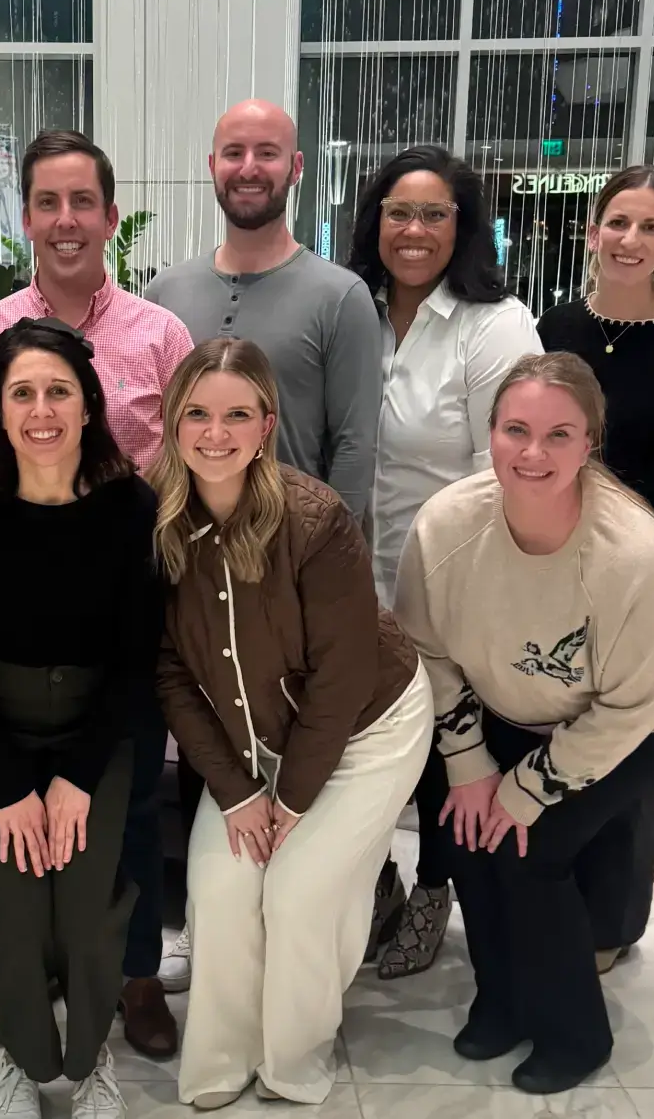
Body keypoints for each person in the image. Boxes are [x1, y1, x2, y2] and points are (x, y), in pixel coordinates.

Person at [394, 353, 654, 1095]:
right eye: (515, 430)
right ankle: (501, 1004)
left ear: (589, 444)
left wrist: (526, 792)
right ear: (491, 434)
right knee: (468, 836)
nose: (533, 454)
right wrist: (472, 767)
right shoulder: (445, 526)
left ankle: (574, 1034)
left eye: (558, 435)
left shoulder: (638, 556)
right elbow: (430, 651)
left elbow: (629, 708)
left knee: (529, 848)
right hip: (514, 701)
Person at [0, 128, 190, 1057]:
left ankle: (133, 981)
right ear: (25, 220)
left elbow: (181, 468)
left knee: (122, 826)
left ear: (109, 217)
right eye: (46, 203)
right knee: (13, 837)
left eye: (81, 202)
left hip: (124, 599)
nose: (64, 220)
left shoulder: (159, 335)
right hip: (14, 603)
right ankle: (28, 977)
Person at [150, 338, 432, 1109]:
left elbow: (341, 682)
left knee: (301, 890)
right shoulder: (158, 523)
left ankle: (295, 1059)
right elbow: (169, 672)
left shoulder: (316, 520)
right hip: (250, 741)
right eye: (198, 413)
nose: (216, 432)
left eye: (237, 413)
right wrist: (241, 794)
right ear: (173, 422)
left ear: (267, 424)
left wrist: (293, 801)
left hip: (367, 733)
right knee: (221, 883)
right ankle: (222, 1059)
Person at [0, 317, 161, 1119]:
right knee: (17, 904)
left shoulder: (131, 507)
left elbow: (138, 660)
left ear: (89, 402)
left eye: (58, 391)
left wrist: (73, 776)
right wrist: (11, 786)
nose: (41, 410)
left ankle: (90, 1056)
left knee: (90, 908)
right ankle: (31, 1066)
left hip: (98, 733)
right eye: (21, 392)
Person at [344, 144, 542, 980]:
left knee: (441, 749)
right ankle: (378, 881)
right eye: (398, 212)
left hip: (452, 583)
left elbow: (510, 467)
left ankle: (435, 888)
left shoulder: (494, 324)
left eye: (434, 213)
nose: (414, 230)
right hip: (353, 579)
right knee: (362, 748)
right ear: (373, 222)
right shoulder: (351, 307)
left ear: (462, 227)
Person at [537, 164, 654, 971]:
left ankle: (610, 923)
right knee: (558, 724)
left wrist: (608, 539)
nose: (630, 240)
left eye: (650, 227)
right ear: (591, 232)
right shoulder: (557, 326)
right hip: (553, 560)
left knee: (636, 737)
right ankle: (545, 903)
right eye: (617, 222)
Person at [144, 98, 381, 519]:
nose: (248, 168)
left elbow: (354, 445)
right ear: (213, 165)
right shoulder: (164, 293)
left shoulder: (342, 297)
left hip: (289, 550)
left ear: (296, 167)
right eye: (234, 153)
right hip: (182, 547)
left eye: (267, 153)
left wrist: (326, 550)